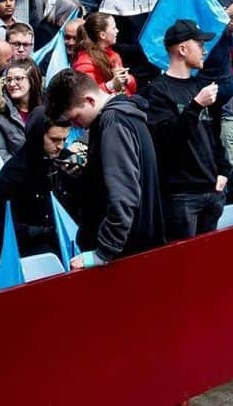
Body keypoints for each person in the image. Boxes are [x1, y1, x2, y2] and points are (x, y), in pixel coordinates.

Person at [44, 68, 163, 266]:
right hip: (139, 245)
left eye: (75, 118)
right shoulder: (124, 117)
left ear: (89, 100)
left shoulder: (113, 124)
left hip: (126, 254)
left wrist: (103, 253)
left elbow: (123, 196)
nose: (78, 126)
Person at [146, 20, 232, 240]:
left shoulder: (199, 87)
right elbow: (167, 138)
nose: (204, 49)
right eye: (199, 43)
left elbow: (214, 135)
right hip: (181, 197)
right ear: (182, 49)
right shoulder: (158, 91)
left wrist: (224, 171)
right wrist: (195, 106)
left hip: (212, 191)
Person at [0, 107, 78, 267]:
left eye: (64, 139)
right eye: (54, 139)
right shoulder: (13, 174)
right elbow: (6, 228)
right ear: (37, 136)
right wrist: (49, 232)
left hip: (67, 241)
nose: (60, 146)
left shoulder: (65, 162)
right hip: (29, 251)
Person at [0, 60, 43, 160]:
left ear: (32, 79)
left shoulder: (48, 107)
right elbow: (1, 151)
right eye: (8, 80)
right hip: (16, 170)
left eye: (18, 79)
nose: (12, 84)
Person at [72, 13, 135, 95]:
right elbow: (85, 94)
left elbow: (130, 91)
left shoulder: (114, 56)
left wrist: (127, 79)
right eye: (114, 28)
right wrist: (111, 85)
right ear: (102, 35)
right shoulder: (84, 62)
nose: (117, 31)